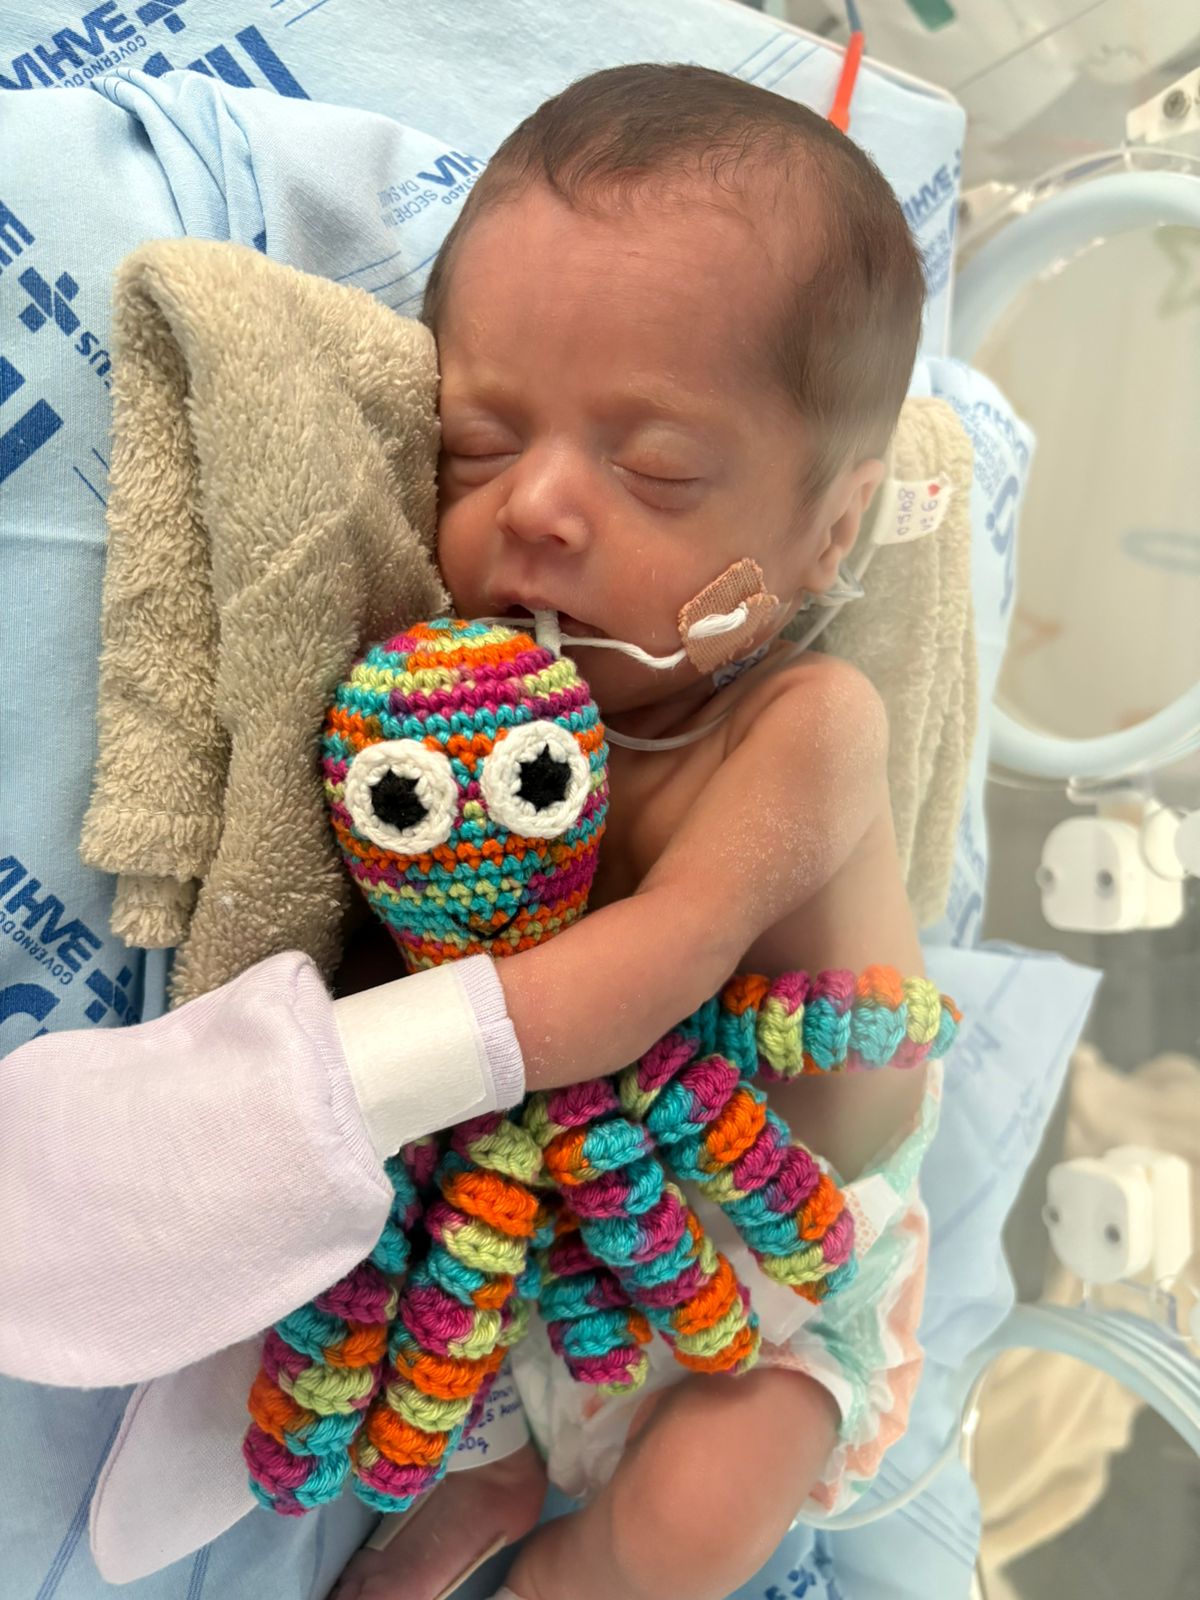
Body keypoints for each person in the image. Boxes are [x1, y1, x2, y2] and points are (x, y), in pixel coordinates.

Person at [331, 62, 934, 1600]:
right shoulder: (468, 712)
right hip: (566, 1220)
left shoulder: (804, 729)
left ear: (830, 529)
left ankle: (570, 1572)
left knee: (684, 1531)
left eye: (654, 467)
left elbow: (654, 964)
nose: (534, 505)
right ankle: (489, 1478)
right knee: (446, 1333)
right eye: (479, 442)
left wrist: (331, 1078)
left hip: (783, 1258)